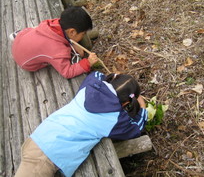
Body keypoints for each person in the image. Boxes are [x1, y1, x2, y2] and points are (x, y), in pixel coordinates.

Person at [14, 71, 148, 177]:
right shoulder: (114, 118)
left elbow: (97, 74)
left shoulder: (91, 85)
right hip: (45, 157)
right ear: (125, 103)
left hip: (40, 137)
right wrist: (142, 106)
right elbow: (137, 127)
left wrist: (115, 78)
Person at [10, 6, 98, 79]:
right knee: (67, 56)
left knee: (35, 30)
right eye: (83, 33)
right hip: (24, 62)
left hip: (20, 39)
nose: (84, 36)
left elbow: (65, 36)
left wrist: (73, 43)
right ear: (72, 32)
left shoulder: (54, 23)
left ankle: (17, 35)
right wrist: (87, 63)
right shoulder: (57, 50)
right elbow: (67, 72)